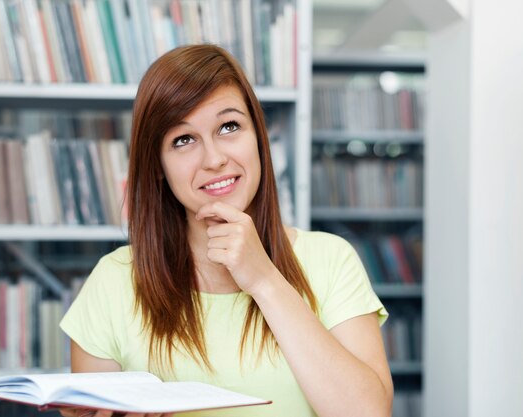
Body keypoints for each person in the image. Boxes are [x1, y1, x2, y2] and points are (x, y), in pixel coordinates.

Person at [59, 44, 393, 417]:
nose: (215, 159)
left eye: (229, 126)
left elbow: (368, 413)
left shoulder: (330, 260)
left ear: (258, 138)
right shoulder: (115, 280)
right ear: (158, 166)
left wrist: (264, 279)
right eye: (183, 140)